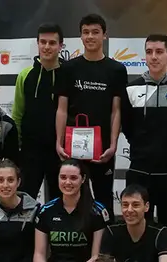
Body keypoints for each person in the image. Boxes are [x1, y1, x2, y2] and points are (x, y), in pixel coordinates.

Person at [121, 34, 167, 233]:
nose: (154, 57)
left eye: (159, 52)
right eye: (149, 52)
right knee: (138, 228)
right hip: (139, 171)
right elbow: (127, 127)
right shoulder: (131, 88)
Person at [55, 13, 128, 219]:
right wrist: (58, 142)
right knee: (72, 197)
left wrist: (113, 145)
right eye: (86, 32)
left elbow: (116, 110)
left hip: (102, 148)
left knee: (104, 198)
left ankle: (105, 248)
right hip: (73, 146)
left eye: (95, 32)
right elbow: (62, 108)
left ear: (104, 35)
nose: (90, 36)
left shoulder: (116, 70)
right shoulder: (68, 69)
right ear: (80, 36)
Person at [14, 23, 65, 200]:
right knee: (25, 200)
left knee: (60, 202)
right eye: (42, 42)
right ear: (37, 44)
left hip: (60, 152)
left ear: (60, 46)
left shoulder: (68, 75)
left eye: (52, 43)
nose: (46, 47)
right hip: (30, 151)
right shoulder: (25, 75)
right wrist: (17, 147)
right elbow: (18, 114)